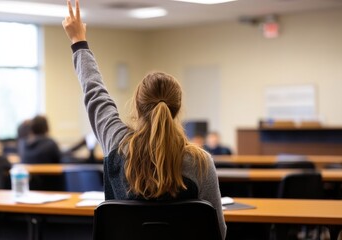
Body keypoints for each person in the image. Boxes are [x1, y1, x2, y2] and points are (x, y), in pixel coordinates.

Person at [62, 1, 226, 238]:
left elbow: (94, 91)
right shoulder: (200, 162)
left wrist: (78, 41)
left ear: (138, 107)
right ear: (177, 108)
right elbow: (217, 233)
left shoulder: (118, 144)